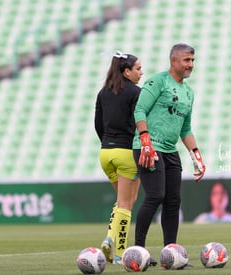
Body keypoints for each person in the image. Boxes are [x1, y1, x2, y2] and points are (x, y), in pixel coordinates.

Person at [132, 43, 206, 266]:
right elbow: (139, 110)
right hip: (148, 147)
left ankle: (171, 255)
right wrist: (145, 141)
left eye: (192, 60)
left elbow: (185, 129)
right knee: (156, 196)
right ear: (173, 61)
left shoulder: (188, 92)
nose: (190, 65)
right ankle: (137, 252)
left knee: (173, 201)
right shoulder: (158, 81)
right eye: (186, 60)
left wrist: (197, 156)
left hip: (170, 151)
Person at [94, 51, 143, 264]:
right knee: (127, 204)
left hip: (106, 154)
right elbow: (140, 122)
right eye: (138, 68)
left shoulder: (103, 93)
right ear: (126, 71)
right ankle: (121, 252)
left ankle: (110, 240)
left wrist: (107, 142)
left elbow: (98, 124)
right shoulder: (135, 92)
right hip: (126, 153)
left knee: (124, 201)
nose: (141, 72)